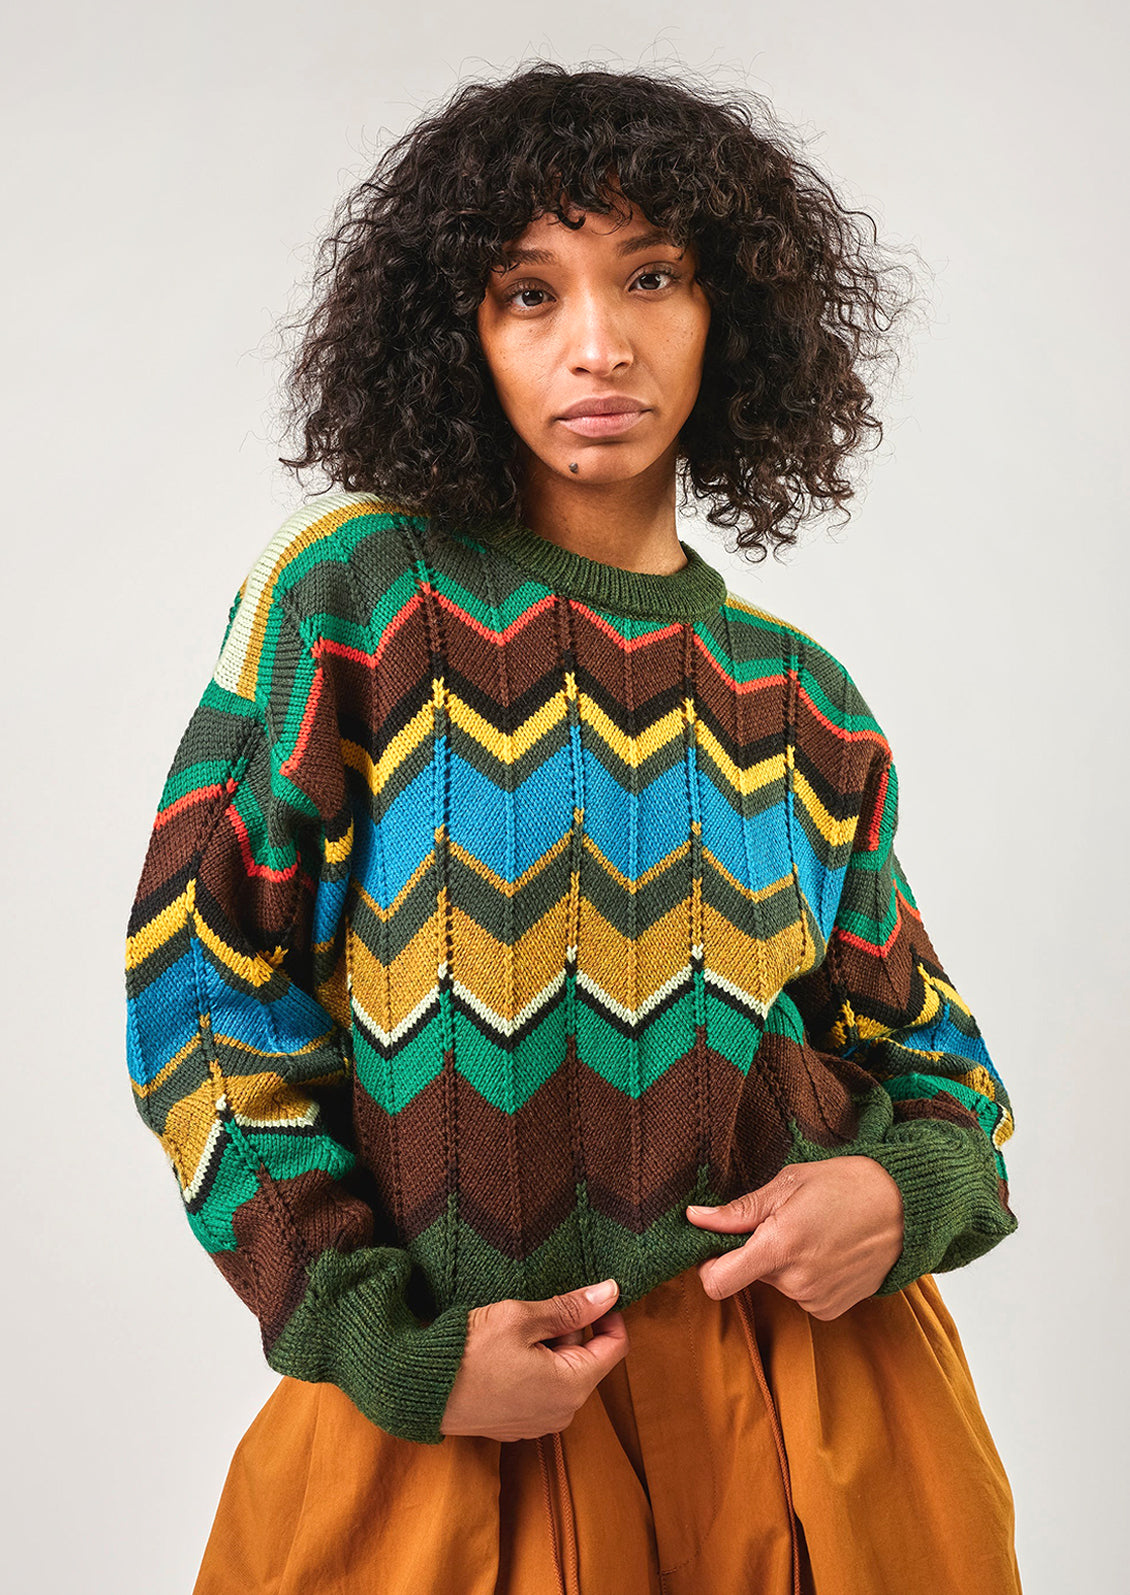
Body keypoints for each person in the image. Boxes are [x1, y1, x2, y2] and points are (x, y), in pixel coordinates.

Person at [123, 61, 1022, 1594]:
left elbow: (929, 1054)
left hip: (824, 1415)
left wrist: (901, 1190)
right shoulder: (356, 599)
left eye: (650, 278)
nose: (595, 344)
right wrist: (375, 1336)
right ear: (452, 335)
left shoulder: (803, 700)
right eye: (526, 295)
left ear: (731, 313)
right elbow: (196, 987)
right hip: (473, 1395)